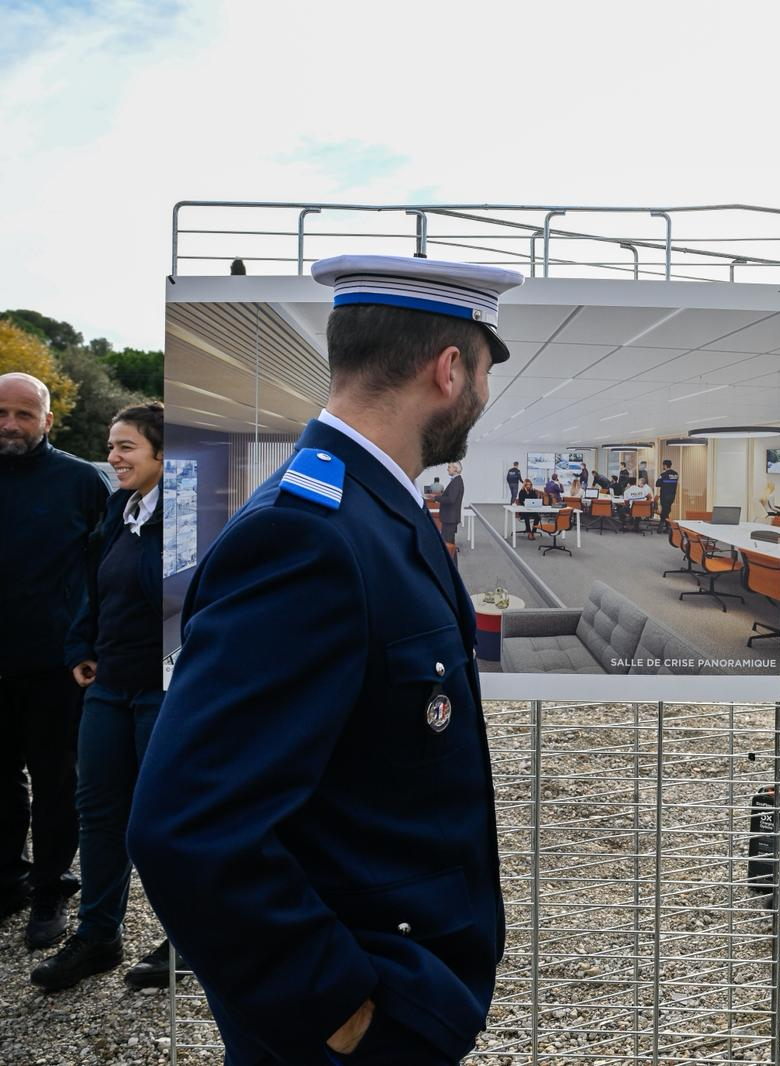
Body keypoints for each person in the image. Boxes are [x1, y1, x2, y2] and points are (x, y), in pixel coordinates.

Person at [128, 255, 523, 1064]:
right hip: (349, 1030)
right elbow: (187, 826)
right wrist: (341, 1010)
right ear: (450, 370)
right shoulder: (309, 535)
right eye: (484, 373)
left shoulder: (376, 507)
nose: (483, 397)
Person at [32, 403, 177, 991]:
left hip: (161, 691)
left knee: (159, 820)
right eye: (112, 446)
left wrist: (152, 534)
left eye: (126, 448)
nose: (113, 458)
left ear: (162, 456)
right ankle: (98, 936)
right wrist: (79, 646)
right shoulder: (122, 506)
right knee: (98, 813)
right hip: (109, 686)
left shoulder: (183, 518)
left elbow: (169, 597)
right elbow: (94, 587)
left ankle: (182, 939)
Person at [0, 372, 105, 950]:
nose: (10, 425)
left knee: (56, 780)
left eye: (23, 414)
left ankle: (49, 892)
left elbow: (103, 565)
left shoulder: (79, 482)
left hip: (54, 662)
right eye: (1, 413)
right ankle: (8, 881)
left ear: (47, 420)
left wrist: (91, 643)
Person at [438, 462, 465, 560]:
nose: (447, 469)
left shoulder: (456, 482)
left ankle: (450, 569)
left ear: (455, 469)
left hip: (450, 518)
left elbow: (451, 499)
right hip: (450, 518)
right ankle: (453, 567)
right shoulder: (456, 481)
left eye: (449, 467)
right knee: (450, 545)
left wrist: (437, 498)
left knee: (447, 546)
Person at [656, 459, 680, 528]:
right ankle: (667, 525)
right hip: (672, 495)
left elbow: (657, 484)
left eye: (663, 465)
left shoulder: (663, 474)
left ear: (665, 465)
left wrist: (661, 479)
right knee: (667, 509)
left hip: (664, 495)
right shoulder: (676, 474)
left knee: (665, 509)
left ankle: (662, 524)